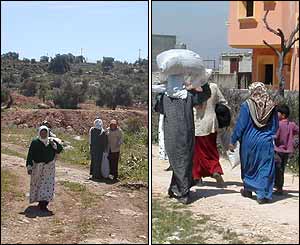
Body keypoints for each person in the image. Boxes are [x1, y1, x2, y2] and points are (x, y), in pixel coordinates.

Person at [163, 74, 211, 204]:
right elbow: (206, 94)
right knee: (183, 162)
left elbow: (157, 108)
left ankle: (174, 188)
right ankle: (184, 193)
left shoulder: (164, 97)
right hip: (186, 134)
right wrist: (203, 81)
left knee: (178, 162)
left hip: (170, 136)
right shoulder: (188, 96)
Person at [229, 82, 278, 204]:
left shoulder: (247, 105)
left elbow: (241, 125)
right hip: (266, 142)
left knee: (249, 167)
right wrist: (268, 135)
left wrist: (233, 140)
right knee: (265, 167)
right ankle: (263, 194)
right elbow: (275, 126)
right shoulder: (271, 106)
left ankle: (248, 189)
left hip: (249, 142)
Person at [192, 83, 228, 188]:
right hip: (211, 123)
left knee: (197, 152)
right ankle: (215, 170)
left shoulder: (192, 88)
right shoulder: (213, 86)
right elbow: (223, 102)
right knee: (211, 149)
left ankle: (197, 177)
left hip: (197, 124)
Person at [26, 125, 63, 212]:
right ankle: (40, 201)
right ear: (39, 133)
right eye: (42, 133)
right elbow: (30, 155)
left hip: (49, 168)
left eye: (45, 133)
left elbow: (59, 150)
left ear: (47, 133)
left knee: (47, 185)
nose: (43, 134)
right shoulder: (35, 142)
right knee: (38, 184)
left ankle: (44, 204)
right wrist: (29, 166)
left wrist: (54, 144)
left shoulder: (51, 141)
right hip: (37, 167)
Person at [274, 104, 299, 195]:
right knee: (282, 169)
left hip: (278, 150)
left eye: (278, 113)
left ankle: (278, 187)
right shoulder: (292, 124)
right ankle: (279, 187)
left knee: (277, 168)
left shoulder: (279, 125)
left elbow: (275, 136)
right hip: (287, 151)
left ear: (283, 115)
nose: (276, 115)